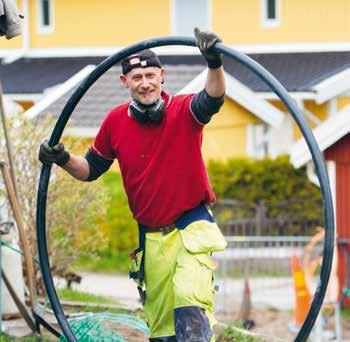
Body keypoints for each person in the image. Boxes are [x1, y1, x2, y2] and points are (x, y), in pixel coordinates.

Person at [39, 28, 227, 342]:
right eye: (136, 78)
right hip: (151, 240)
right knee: (163, 332)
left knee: (190, 312)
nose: (145, 83)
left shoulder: (183, 111)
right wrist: (61, 157)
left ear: (162, 76)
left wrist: (214, 63)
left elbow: (214, 98)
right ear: (125, 82)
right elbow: (90, 169)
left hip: (191, 230)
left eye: (150, 75)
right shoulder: (114, 122)